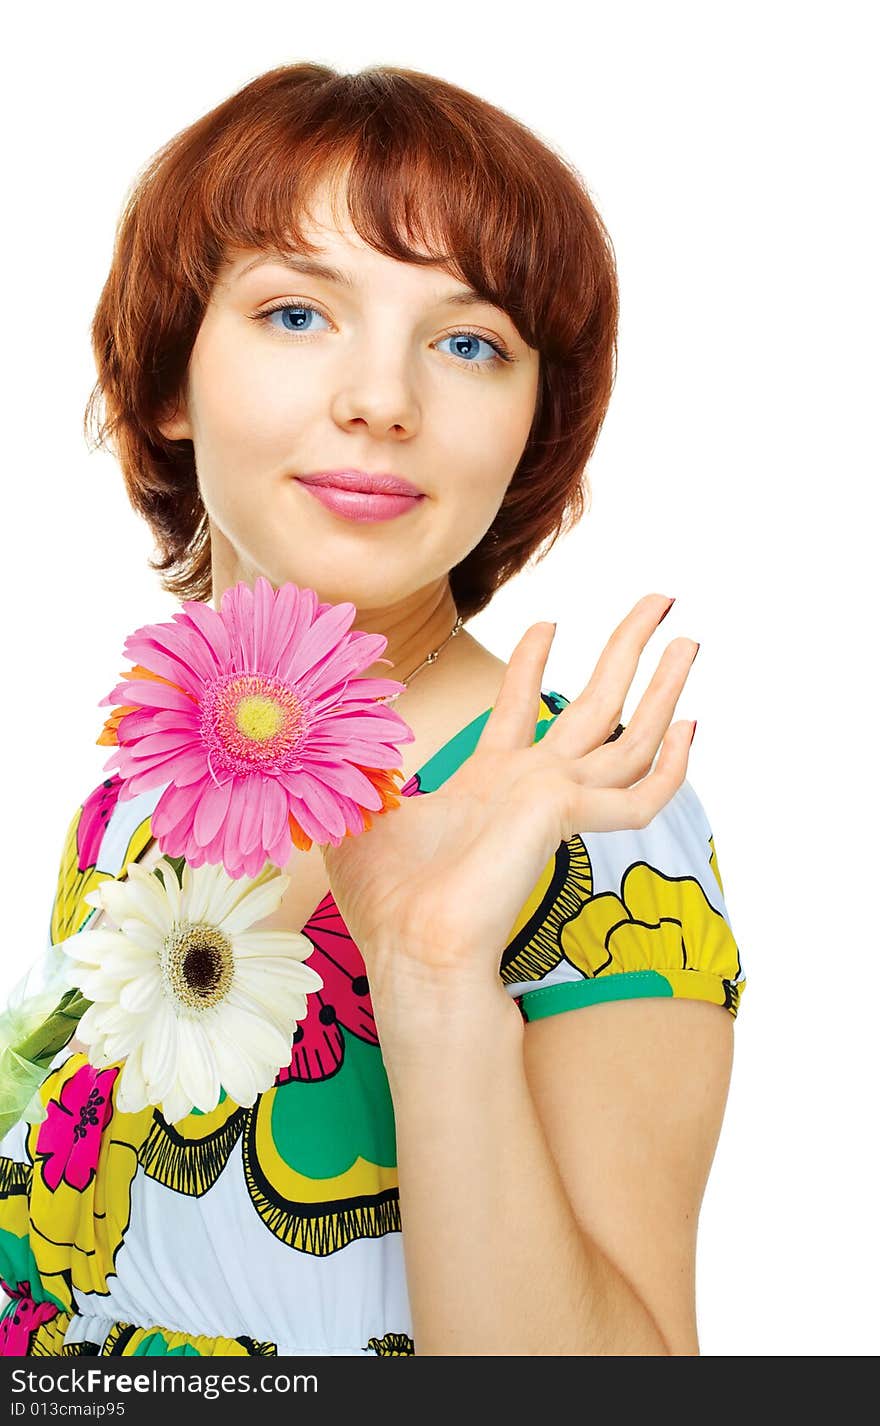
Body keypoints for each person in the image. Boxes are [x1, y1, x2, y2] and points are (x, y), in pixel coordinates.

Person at [0, 61, 745, 1357]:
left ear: (530, 431)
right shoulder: (129, 797)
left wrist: (435, 979)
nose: (384, 399)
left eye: (469, 342)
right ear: (171, 383)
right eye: (297, 313)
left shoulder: (583, 811)